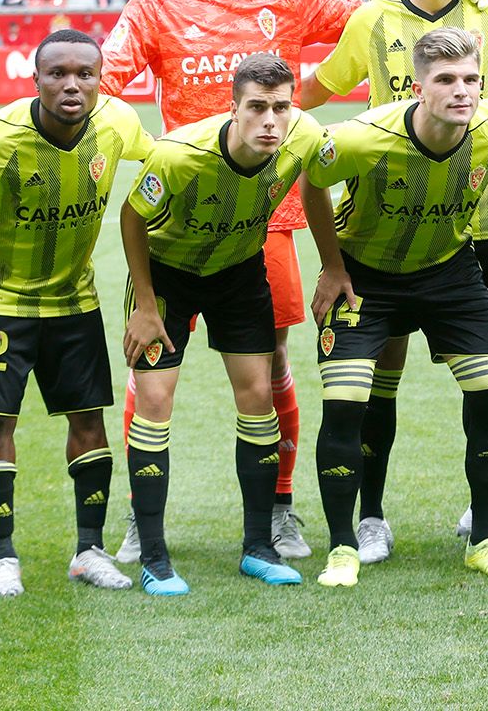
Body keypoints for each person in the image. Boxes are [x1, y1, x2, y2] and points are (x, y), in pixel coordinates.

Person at [100, 0, 359, 562]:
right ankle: (139, 517)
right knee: (152, 367)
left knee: (271, 363)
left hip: (265, 221)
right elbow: (103, 79)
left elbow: (375, 23)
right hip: (174, 226)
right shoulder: (155, 6)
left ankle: (278, 510)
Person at [298, 0, 488, 563]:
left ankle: (481, 513)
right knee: (382, 368)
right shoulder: (372, 21)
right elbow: (320, 88)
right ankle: (369, 515)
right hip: (385, 218)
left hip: (477, 220)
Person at [0, 30, 153, 596]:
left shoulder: (118, 123)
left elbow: (166, 164)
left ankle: (89, 550)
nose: (72, 84)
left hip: (76, 302)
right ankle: (2, 557)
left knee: (89, 421)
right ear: (36, 80)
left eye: (85, 73)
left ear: (101, 79)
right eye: (58, 74)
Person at [120, 55, 328, 595]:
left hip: (239, 271)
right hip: (168, 276)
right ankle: (154, 554)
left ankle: (258, 546)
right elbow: (132, 215)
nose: (270, 121)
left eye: (280, 108)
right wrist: (145, 304)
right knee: (156, 399)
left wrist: (335, 265)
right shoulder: (180, 155)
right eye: (256, 108)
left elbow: (320, 187)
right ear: (233, 110)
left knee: (259, 393)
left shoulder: (304, 138)